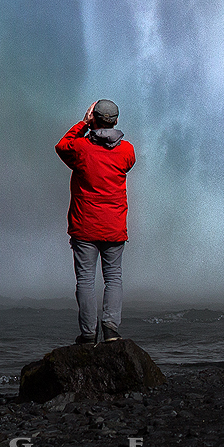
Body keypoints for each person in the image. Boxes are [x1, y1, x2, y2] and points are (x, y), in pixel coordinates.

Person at [55, 98, 135, 346]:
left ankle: (88, 334)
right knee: (113, 278)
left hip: (85, 226)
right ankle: (111, 329)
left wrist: (83, 123)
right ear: (116, 121)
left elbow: (61, 146)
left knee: (86, 281)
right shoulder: (127, 151)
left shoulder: (80, 149)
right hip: (114, 226)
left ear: (94, 119)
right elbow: (126, 164)